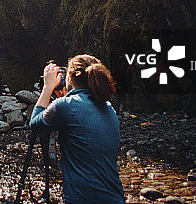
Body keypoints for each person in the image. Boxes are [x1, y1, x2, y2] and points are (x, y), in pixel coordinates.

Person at [29, 54, 125, 204]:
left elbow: (35, 124)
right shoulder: (108, 108)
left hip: (81, 199)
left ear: (70, 78)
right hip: (115, 198)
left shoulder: (65, 106)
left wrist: (47, 88)